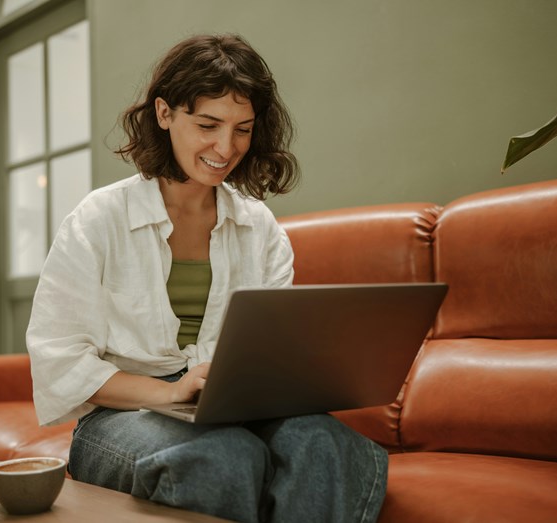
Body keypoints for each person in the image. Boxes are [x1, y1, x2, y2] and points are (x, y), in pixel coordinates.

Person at [26, 33, 388, 523]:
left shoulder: (259, 227)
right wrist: (170, 391)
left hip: (231, 408)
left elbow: (270, 350)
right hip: (120, 421)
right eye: (208, 124)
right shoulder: (98, 219)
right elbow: (60, 362)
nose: (226, 147)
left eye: (243, 129)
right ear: (164, 114)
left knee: (322, 441)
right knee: (221, 453)